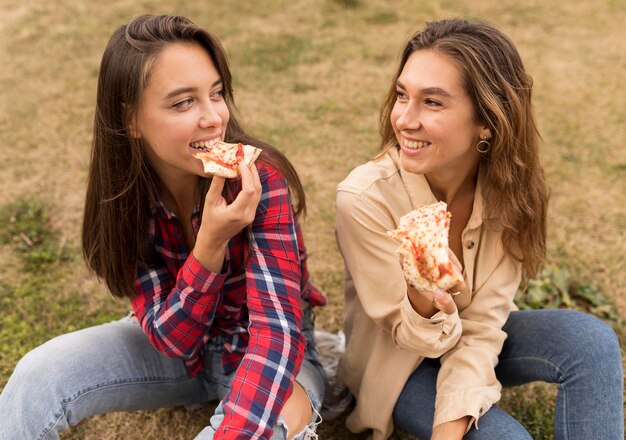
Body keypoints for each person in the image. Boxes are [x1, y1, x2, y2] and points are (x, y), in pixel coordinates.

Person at [0, 14, 327, 440]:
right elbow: (173, 341)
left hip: (277, 356)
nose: (213, 118)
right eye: (182, 103)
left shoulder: (259, 180)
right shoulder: (124, 197)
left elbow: (278, 336)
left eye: (216, 93)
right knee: (37, 376)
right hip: (176, 355)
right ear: (131, 120)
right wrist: (209, 245)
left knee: (269, 424)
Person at [335, 17, 623, 440]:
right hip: (397, 366)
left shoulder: (510, 190)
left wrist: (451, 424)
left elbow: (484, 328)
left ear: (486, 122)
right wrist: (426, 295)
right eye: (402, 95)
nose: (405, 119)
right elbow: (410, 336)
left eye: (432, 102)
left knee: (590, 341)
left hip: (472, 344)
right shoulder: (364, 199)